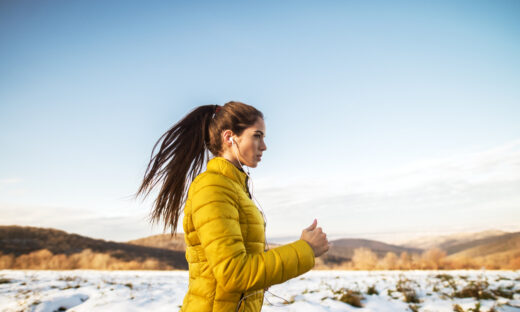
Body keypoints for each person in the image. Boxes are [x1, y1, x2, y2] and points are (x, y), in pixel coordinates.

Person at [136, 101, 329, 312]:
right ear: (230, 137)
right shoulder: (212, 187)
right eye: (257, 135)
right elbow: (233, 273)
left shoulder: (234, 187)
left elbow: (242, 270)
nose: (264, 146)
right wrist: (306, 249)